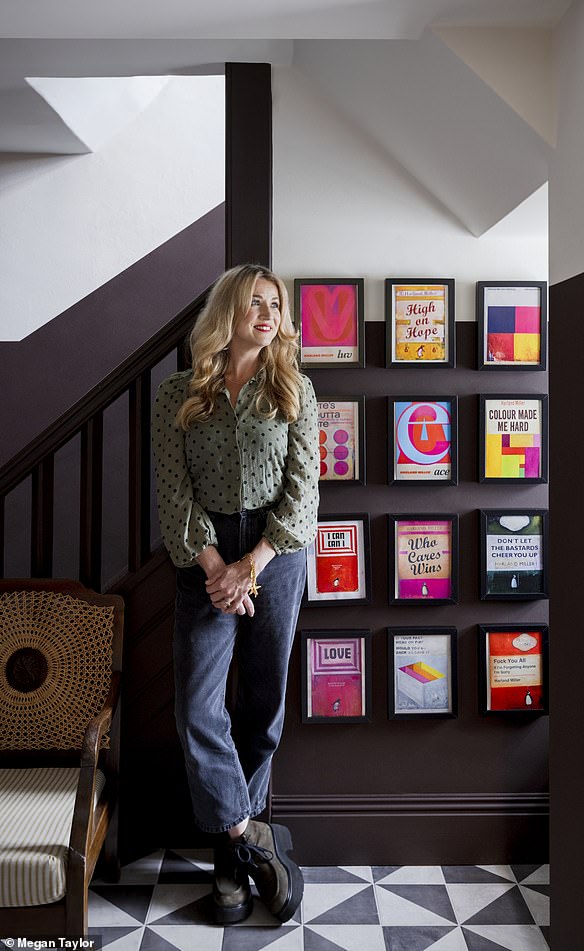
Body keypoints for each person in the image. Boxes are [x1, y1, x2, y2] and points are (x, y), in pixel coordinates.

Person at [152, 263, 319, 925]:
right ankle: (249, 836)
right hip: (204, 551)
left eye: (275, 303)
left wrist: (251, 565)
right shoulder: (177, 393)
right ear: (228, 310)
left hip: (275, 554)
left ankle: (229, 859)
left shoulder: (295, 388)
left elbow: (304, 494)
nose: (267, 312)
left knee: (263, 704)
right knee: (197, 707)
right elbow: (173, 493)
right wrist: (216, 565)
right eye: (254, 301)